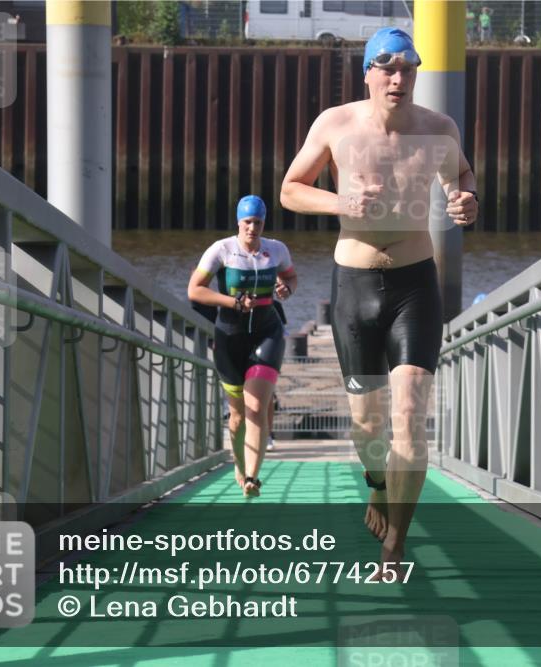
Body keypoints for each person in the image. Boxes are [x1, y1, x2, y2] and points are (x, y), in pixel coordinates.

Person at [279, 28, 477, 574]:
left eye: (408, 68)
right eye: (387, 67)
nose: (398, 77)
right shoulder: (335, 123)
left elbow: (459, 172)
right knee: (367, 428)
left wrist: (467, 198)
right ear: (367, 72)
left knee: (410, 416)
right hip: (355, 286)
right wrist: (341, 199)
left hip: (416, 285)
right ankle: (377, 482)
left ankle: (396, 543)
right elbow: (291, 188)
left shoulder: (439, 129)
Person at [187, 195, 297, 497]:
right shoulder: (222, 250)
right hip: (230, 337)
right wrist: (232, 302)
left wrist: (286, 288)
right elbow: (194, 290)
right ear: (239, 222)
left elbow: (290, 276)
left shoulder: (275, 250)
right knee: (237, 416)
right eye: (248, 222)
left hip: (267, 333)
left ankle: (251, 477)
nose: (253, 228)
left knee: (258, 405)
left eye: (258, 222)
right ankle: (239, 464)